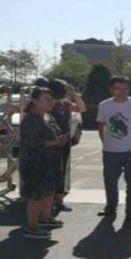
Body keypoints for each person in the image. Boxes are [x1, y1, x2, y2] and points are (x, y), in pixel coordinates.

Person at [96, 76, 131, 223]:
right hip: (110, 152)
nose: (122, 92)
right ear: (111, 89)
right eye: (118, 89)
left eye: (125, 89)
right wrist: (105, 143)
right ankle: (110, 207)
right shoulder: (104, 105)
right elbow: (101, 126)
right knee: (110, 181)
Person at [19, 87, 68, 239]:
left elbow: (54, 134)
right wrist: (54, 142)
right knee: (36, 195)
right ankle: (32, 227)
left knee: (49, 191)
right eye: (46, 99)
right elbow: (32, 142)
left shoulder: (48, 117)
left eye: (51, 99)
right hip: (35, 163)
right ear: (34, 101)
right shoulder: (30, 119)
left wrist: (60, 140)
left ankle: (46, 218)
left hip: (51, 161)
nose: (51, 102)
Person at [48, 79, 86, 213]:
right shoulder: (46, 103)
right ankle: (48, 202)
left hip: (63, 142)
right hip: (47, 144)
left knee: (61, 171)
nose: (66, 90)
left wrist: (74, 94)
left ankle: (58, 201)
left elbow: (82, 108)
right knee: (49, 173)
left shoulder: (65, 104)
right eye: (64, 88)